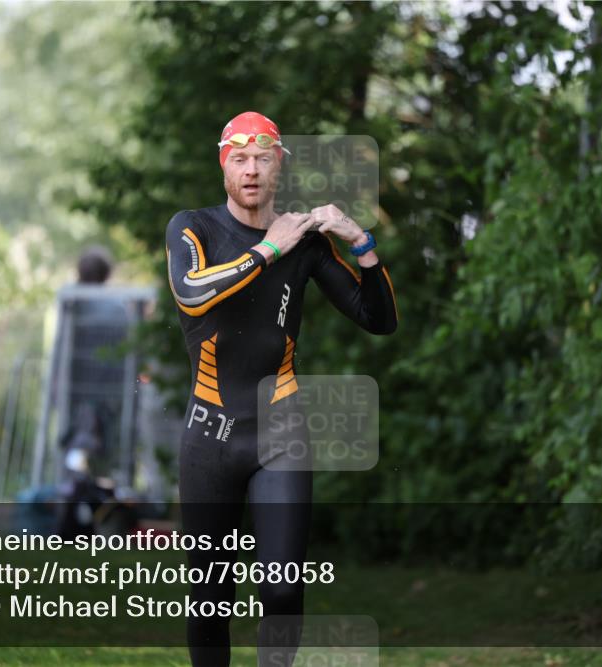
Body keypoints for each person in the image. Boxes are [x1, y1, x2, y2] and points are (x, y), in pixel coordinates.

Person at [165, 111, 398, 667]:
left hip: (281, 429)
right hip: (209, 436)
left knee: (283, 591)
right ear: (224, 166)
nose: (251, 170)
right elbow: (191, 294)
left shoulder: (306, 243)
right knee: (209, 602)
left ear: (279, 168)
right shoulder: (192, 226)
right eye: (239, 159)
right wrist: (267, 249)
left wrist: (360, 241)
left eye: (262, 159)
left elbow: (378, 317)